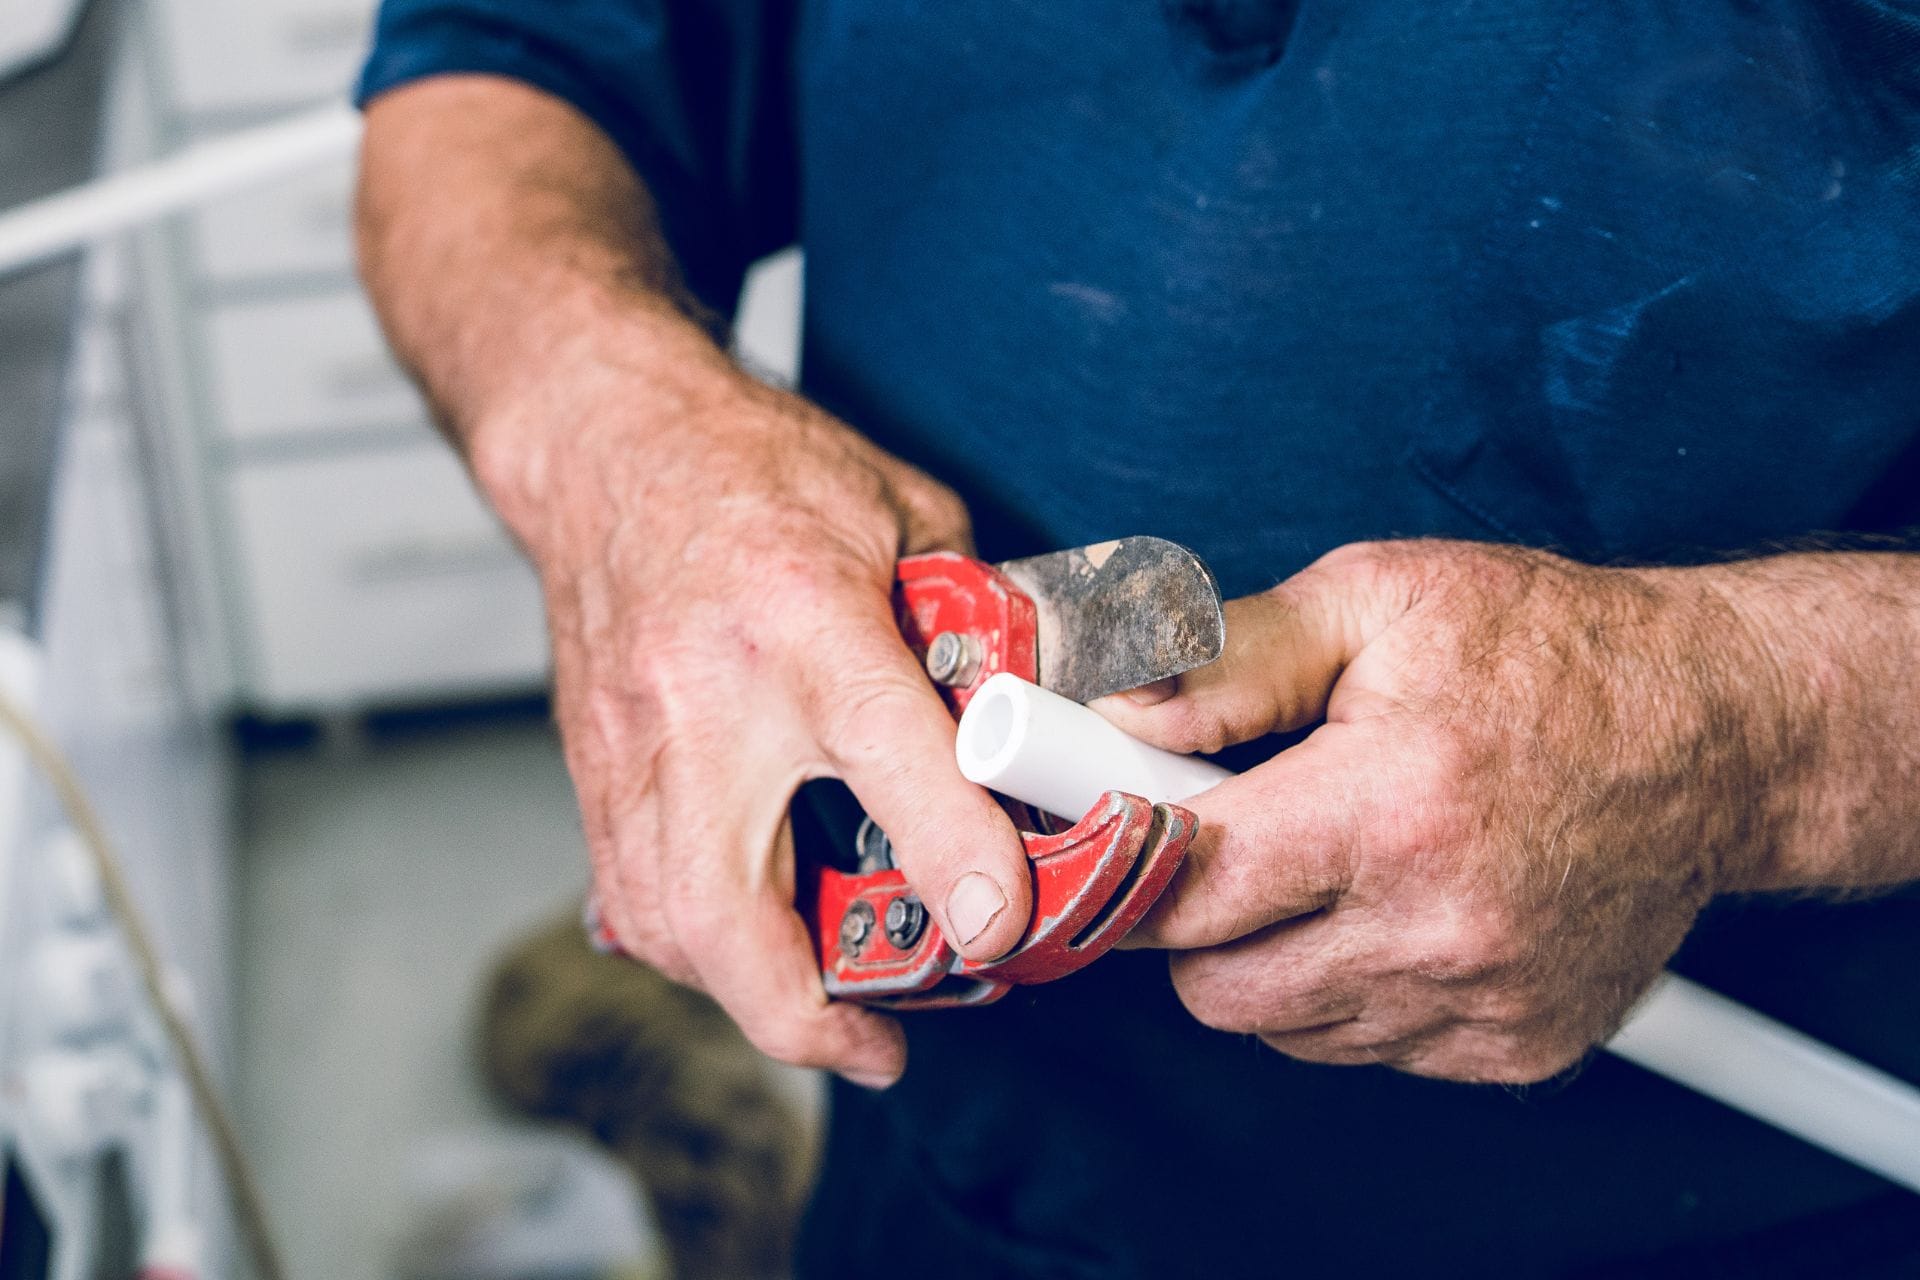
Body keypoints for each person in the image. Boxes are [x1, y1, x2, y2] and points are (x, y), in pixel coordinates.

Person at [353, 2, 1920, 1273]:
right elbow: (501, 66)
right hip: (959, 1171)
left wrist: (1745, 732)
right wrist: (625, 445)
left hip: (1768, 1197)